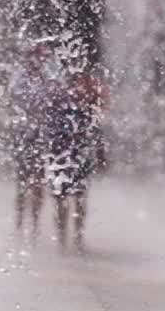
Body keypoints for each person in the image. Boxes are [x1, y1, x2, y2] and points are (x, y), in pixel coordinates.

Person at [43, 62, 107, 253]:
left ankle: (71, 239)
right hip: (65, 152)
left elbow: (94, 127)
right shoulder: (63, 97)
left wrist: (99, 150)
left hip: (70, 153)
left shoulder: (83, 96)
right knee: (69, 197)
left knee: (73, 196)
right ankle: (68, 239)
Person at [6, 41, 60, 242]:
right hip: (24, 133)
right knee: (22, 182)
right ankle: (20, 224)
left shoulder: (50, 74)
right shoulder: (20, 75)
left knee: (39, 181)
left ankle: (35, 224)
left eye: (42, 57)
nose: (38, 60)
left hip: (43, 134)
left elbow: (56, 96)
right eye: (34, 56)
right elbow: (16, 95)